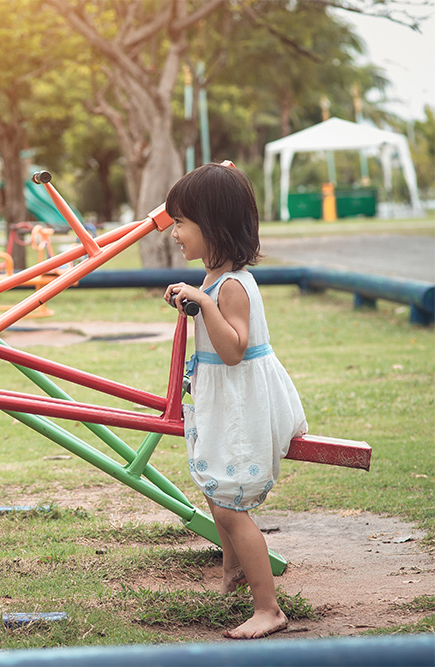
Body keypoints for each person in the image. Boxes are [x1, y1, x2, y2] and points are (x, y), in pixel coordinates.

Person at [164, 163, 307, 640]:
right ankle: (234, 571)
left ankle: (269, 608)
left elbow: (233, 349)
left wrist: (203, 304)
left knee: (228, 506)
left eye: (182, 222)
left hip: (241, 404)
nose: (176, 233)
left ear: (214, 225)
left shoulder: (229, 286)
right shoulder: (213, 277)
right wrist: (191, 299)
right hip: (224, 401)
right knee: (215, 487)